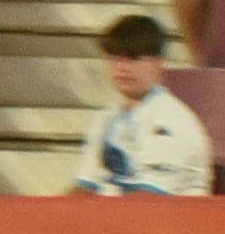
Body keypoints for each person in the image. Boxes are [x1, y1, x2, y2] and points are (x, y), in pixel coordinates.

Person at [74, 13, 214, 195]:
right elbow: (85, 186)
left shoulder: (170, 120)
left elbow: (148, 200)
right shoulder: (106, 117)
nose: (122, 68)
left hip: (168, 219)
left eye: (133, 58)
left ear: (157, 62)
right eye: (115, 59)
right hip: (113, 216)